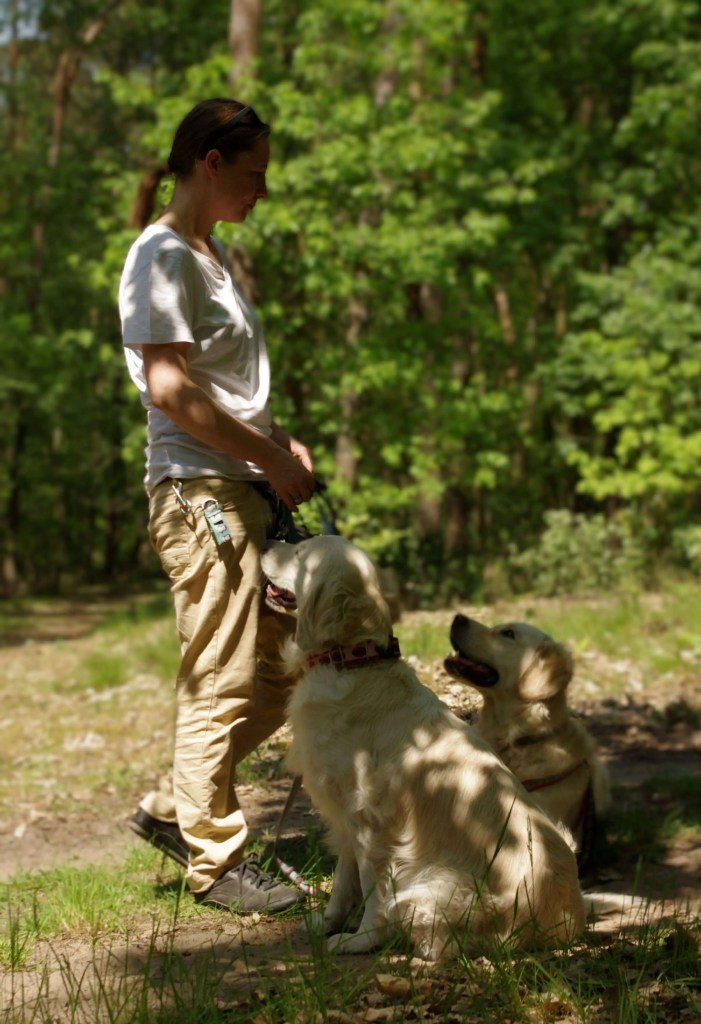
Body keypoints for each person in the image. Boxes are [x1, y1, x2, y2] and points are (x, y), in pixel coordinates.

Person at [118, 98, 317, 914]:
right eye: (254, 171)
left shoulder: (207, 256)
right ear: (210, 161)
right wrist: (264, 452)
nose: (262, 188)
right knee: (221, 678)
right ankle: (217, 865)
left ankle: (178, 807)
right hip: (201, 492)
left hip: (244, 483)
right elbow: (168, 389)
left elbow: (221, 383)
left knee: (279, 675)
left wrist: (279, 443)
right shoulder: (160, 256)